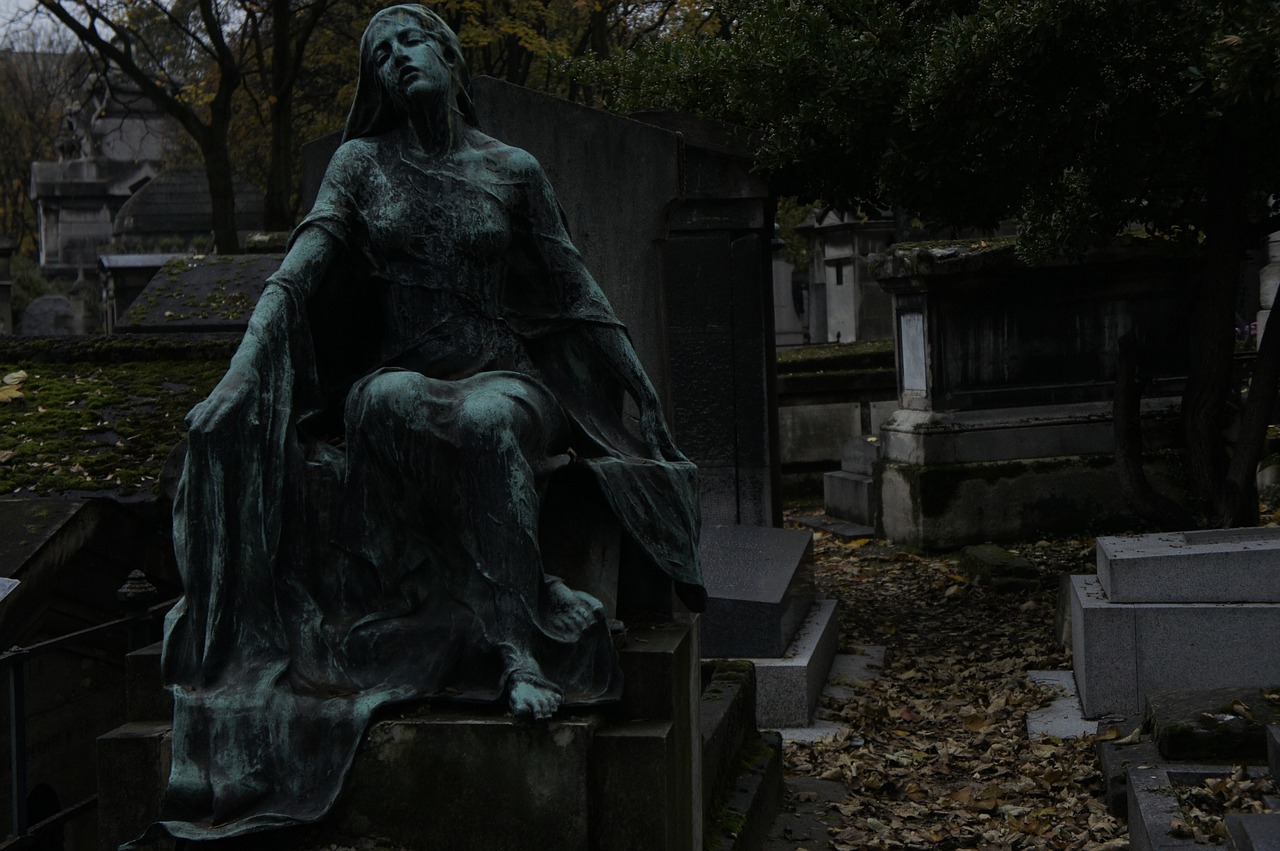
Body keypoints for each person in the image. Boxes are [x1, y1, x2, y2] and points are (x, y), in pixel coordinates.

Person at [142, 5, 702, 843]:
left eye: (411, 43)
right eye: (380, 56)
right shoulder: (361, 165)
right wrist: (241, 372)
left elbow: (576, 293)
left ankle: (517, 650)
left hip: (508, 378)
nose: (396, 60)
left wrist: (641, 393)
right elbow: (297, 274)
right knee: (383, 400)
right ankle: (438, 609)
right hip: (402, 373)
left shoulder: (513, 169)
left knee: (484, 419)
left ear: (448, 56)